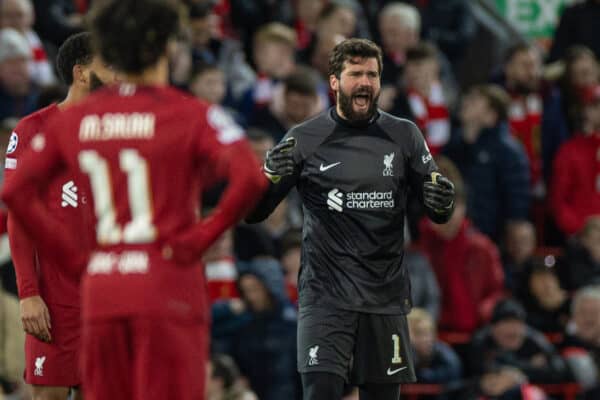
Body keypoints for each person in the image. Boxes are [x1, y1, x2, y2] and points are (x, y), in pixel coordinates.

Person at [1, 1, 267, 400]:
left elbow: (15, 192)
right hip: (166, 283)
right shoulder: (192, 114)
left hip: (104, 284)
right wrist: (200, 237)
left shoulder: (76, 123)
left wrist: (74, 259)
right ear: (163, 49)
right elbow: (250, 178)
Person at [246, 38, 455, 400]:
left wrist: (444, 201)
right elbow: (256, 213)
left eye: (372, 74)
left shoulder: (404, 134)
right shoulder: (303, 138)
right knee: (322, 392)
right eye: (355, 73)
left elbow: (437, 208)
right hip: (325, 297)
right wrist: (266, 179)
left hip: (384, 299)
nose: (364, 82)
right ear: (334, 81)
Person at [4, 31, 118, 400]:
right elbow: (20, 218)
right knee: (48, 396)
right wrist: (28, 294)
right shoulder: (32, 130)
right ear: (82, 73)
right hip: (55, 300)